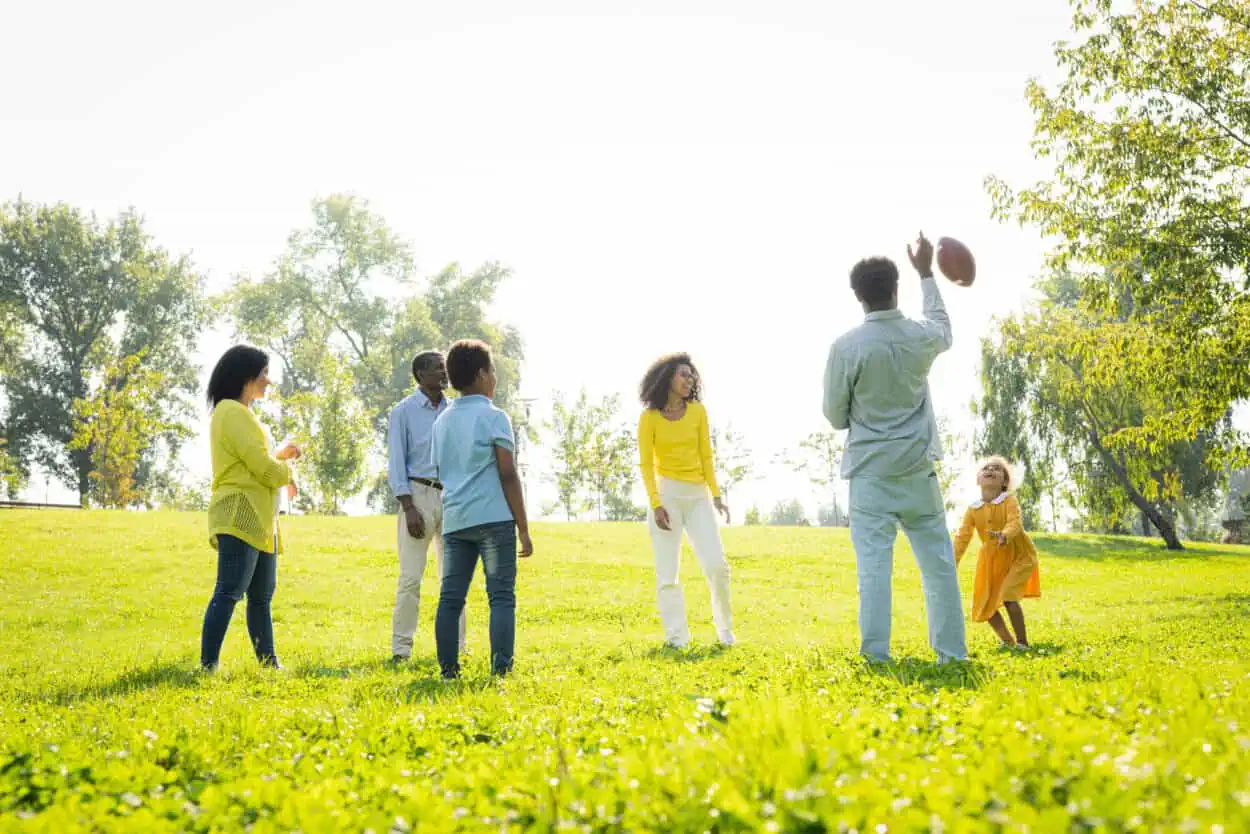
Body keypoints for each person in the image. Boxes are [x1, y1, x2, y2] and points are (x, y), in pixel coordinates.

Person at [822, 232, 967, 663]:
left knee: (874, 572)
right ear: (895, 287)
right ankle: (951, 654)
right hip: (918, 472)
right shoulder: (919, 336)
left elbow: (833, 415)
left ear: (857, 296)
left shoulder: (845, 346)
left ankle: (876, 655)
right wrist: (926, 272)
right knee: (939, 568)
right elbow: (943, 327)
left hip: (869, 475)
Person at [431, 340, 532, 678]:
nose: (495, 378)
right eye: (492, 371)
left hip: (456, 520)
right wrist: (523, 527)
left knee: (450, 599)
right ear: (480, 375)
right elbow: (507, 472)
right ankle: (500, 671)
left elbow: (439, 471)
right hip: (494, 518)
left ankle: (448, 672)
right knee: (501, 596)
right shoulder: (494, 417)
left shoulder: (442, 421)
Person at [201, 345, 301, 671]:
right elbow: (264, 470)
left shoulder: (242, 414)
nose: (268, 382)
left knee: (261, 597)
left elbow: (258, 463)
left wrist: (281, 458)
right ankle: (208, 665)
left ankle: (268, 665)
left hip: (260, 519)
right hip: (240, 514)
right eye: (263, 375)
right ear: (246, 377)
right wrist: (286, 470)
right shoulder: (232, 412)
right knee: (229, 591)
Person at [637, 352, 734, 648]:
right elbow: (645, 464)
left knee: (717, 566)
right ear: (668, 378)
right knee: (668, 574)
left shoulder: (698, 412)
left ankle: (725, 631)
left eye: (692, 376)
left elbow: (707, 455)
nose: (690, 380)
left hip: (697, 496)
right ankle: (677, 638)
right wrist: (656, 504)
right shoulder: (649, 418)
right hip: (667, 496)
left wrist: (716, 496)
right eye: (684, 374)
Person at [386, 350, 466, 664]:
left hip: (452, 497)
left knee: (454, 578)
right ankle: (400, 650)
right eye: (438, 369)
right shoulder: (403, 412)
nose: (445, 374)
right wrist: (408, 506)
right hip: (417, 496)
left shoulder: (454, 411)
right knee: (410, 578)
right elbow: (396, 461)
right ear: (420, 373)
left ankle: (457, 647)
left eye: (446, 369)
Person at [954, 456, 1041, 648]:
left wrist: (1005, 535)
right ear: (978, 479)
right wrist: (953, 561)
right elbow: (963, 537)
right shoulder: (973, 509)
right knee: (985, 604)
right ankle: (1007, 642)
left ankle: (1022, 643)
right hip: (990, 560)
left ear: (1004, 482)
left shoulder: (1009, 500)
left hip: (1018, 555)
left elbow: (1015, 522)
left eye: (997, 469)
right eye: (986, 468)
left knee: (1009, 595)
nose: (991, 469)